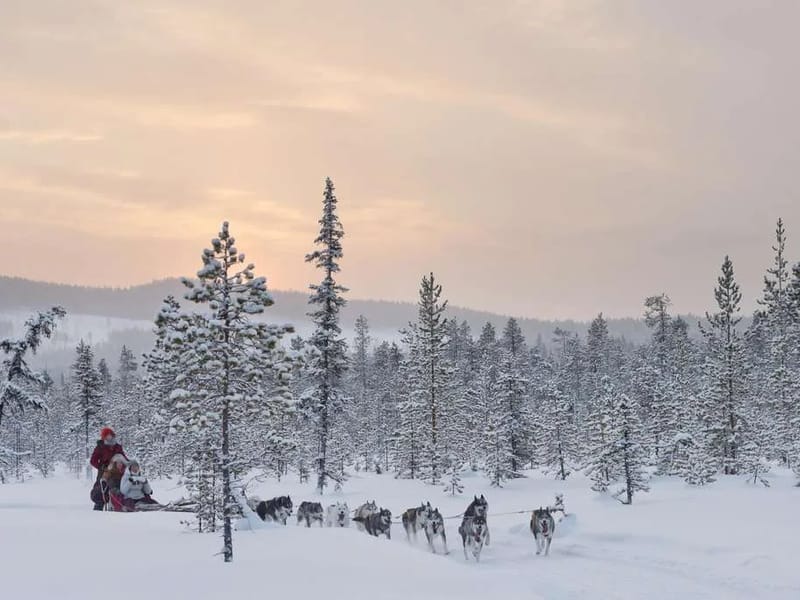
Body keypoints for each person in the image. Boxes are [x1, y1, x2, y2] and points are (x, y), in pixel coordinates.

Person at [89, 427, 126, 510]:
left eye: (111, 435)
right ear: (104, 437)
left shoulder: (117, 447)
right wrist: (100, 466)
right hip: (104, 470)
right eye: (107, 436)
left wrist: (128, 464)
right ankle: (99, 504)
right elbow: (93, 460)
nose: (109, 437)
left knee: (119, 486)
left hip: (117, 471)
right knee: (101, 486)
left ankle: (119, 503)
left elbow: (123, 457)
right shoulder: (100, 447)